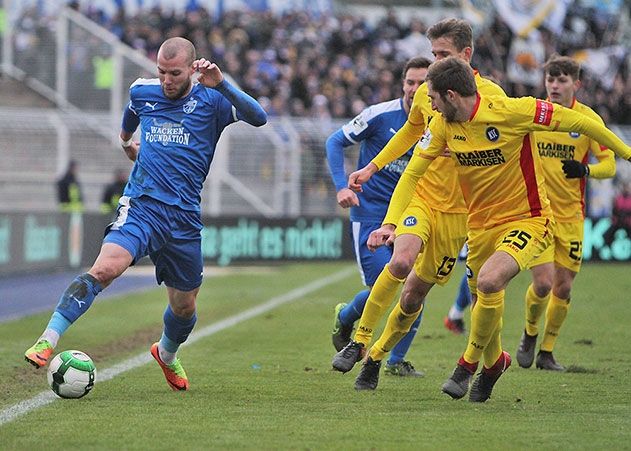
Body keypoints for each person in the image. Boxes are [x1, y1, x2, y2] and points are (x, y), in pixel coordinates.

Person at [24, 37, 267, 391]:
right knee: (105, 267)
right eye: (162, 72)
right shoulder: (144, 91)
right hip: (142, 206)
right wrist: (126, 142)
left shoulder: (212, 99)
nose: (167, 80)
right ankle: (48, 339)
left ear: (192, 69)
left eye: (175, 73)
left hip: (183, 218)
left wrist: (224, 84)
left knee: (185, 308)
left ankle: (166, 354)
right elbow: (131, 113)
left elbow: (259, 118)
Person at [385, 56, 631, 402]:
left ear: (451, 95)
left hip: (528, 218)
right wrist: (390, 223)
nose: (431, 106)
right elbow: (411, 174)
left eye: (434, 99)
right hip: (480, 225)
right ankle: (493, 364)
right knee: (482, 295)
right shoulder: (442, 126)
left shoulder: (512, 111)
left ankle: (468, 364)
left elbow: (578, 120)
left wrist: (627, 153)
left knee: (494, 281)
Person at [331, 18, 505, 391]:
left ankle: (377, 358)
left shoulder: (492, 97)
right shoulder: (429, 92)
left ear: (466, 54)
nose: (435, 62)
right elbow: (412, 131)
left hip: (460, 214)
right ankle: (358, 342)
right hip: (423, 198)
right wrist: (372, 167)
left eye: (443, 54)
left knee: (414, 295)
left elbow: (506, 149)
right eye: (433, 54)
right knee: (400, 261)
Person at [327, 56, 431, 378]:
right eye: (410, 82)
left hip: (412, 214)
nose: (415, 89)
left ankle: (396, 360)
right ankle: (346, 316)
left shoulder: (438, 122)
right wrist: (342, 187)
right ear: (402, 84)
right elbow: (334, 141)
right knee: (381, 288)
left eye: (423, 83)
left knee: (415, 285)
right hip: (371, 212)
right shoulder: (379, 115)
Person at [516, 55, 616, 371]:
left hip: (572, 216)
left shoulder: (588, 121)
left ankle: (547, 352)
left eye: (561, 81)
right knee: (543, 284)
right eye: (550, 80)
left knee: (564, 288)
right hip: (537, 214)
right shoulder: (534, 114)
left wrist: (585, 169)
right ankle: (530, 333)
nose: (555, 86)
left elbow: (610, 164)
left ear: (577, 84)